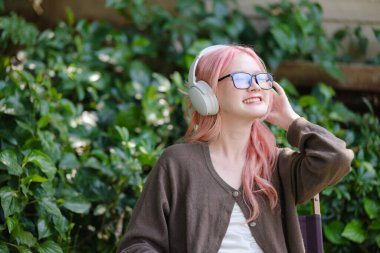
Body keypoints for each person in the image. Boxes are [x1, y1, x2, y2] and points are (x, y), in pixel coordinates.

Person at [116, 45, 354, 253]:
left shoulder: (279, 165)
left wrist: (291, 121)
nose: (255, 87)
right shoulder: (177, 164)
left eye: (261, 79)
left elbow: (337, 157)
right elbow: (137, 245)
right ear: (207, 93)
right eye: (241, 78)